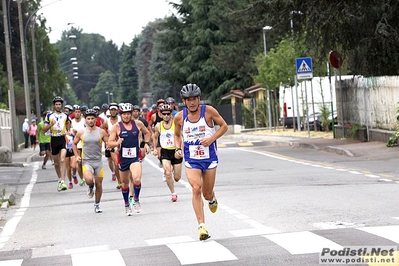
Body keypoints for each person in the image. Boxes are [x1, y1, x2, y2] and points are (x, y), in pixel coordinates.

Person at [174, 84, 228, 241]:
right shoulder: (179, 117)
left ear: (199, 99)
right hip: (191, 158)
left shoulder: (209, 111)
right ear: (184, 101)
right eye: (188, 100)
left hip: (209, 157)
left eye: (194, 99)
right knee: (196, 188)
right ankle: (201, 226)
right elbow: (177, 136)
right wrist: (178, 148)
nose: (192, 103)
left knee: (206, 193)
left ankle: (211, 198)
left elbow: (224, 126)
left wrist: (211, 139)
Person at [108, 103, 151, 216]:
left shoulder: (138, 124)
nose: (126, 116)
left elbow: (147, 133)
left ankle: (136, 199)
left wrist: (145, 144)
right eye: (124, 114)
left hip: (135, 156)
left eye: (128, 114)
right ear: (120, 115)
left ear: (131, 114)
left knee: (136, 179)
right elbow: (109, 143)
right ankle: (127, 204)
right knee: (125, 183)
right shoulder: (116, 127)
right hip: (123, 158)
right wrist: (117, 142)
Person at [73, 109, 109, 213]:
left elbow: (108, 142)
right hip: (87, 161)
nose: (90, 120)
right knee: (89, 179)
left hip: (98, 161)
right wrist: (77, 156)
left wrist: (112, 147)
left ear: (96, 119)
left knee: (99, 185)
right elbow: (74, 144)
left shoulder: (101, 131)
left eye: (92, 118)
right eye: (88, 119)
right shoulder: (81, 132)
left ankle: (97, 204)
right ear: (85, 120)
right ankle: (90, 186)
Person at [152, 104, 182, 202]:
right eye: (164, 114)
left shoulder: (176, 124)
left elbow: (182, 136)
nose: (166, 116)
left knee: (177, 177)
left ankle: (173, 170)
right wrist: (155, 148)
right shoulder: (158, 126)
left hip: (175, 150)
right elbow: (155, 136)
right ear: (160, 115)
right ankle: (173, 193)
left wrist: (181, 149)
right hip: (165, 151)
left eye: (168, 114)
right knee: (167, 173)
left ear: (171, 114)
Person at [43, 96, 71, 192]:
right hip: (53, 139)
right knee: (56, 163)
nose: (58, 106)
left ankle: (63, 181)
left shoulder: (65, 115)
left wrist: (68, 130)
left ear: (61, 105)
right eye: (56, 104)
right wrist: (51, 124)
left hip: (62, 139)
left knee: (63, 159)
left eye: (59, 104)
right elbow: (43, 130)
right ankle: (60, 179)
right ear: (54, 105)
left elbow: (68, 125)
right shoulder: (49, 116)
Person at [101, 102, 122, 188]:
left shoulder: (121, 119)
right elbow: (102, 132)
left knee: (124, 163)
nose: (113, 111)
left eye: (115, 110)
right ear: (109, 111)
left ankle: (125, 180)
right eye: (111, 110)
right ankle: (120, 181)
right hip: (113, 145)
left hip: (122, 143)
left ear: (117, 111)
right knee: (116, 164)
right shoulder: (106, 122)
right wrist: (106, 141)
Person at [71, 106, 86, 186]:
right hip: (76, 144)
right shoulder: (71, 122)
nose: (77, 113)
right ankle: (82, 179)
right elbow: (68, 132)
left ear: (81, 113)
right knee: (79, 163)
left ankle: (88, 176)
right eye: (76, 112)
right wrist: (73, 132)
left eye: (78, 112)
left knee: (86, 161)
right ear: (73, 113)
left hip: (85, 144)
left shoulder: (84, 121)